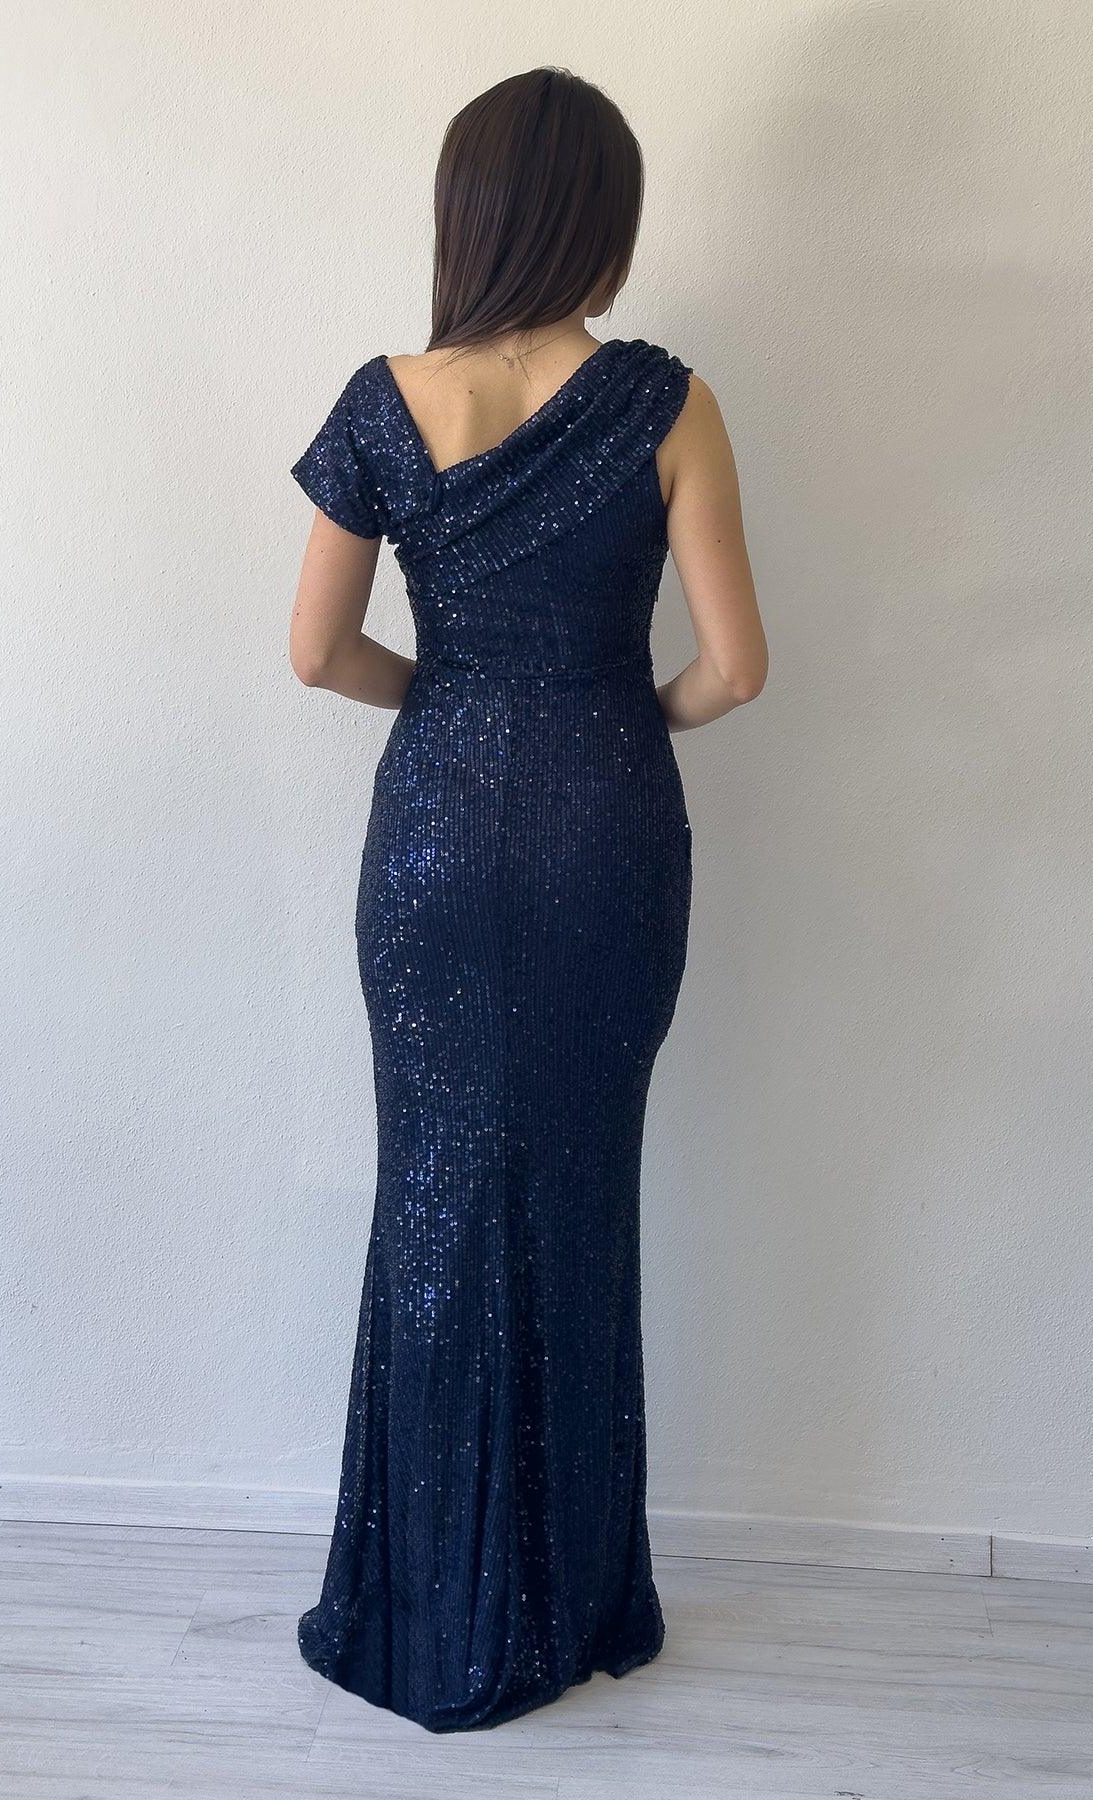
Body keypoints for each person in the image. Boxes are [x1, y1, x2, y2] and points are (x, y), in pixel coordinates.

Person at [287, 65, 767, 1734]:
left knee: (432, 1198)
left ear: (467, 214)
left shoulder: (382, 399)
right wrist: (619, 713)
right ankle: (564, 1602)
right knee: (575, 1195)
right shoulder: (668, 403)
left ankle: (421, 1606)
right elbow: (736, 668)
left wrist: (450, 695)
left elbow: (316, 653)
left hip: (432, 832)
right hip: (605, 828)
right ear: (603, 224)